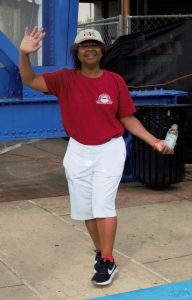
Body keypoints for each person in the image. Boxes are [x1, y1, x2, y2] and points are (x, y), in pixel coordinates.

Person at [19, 26, 173, 286]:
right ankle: (101, 252)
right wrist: (24, 55)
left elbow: (127, 117)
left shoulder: (114, 81)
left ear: (102, 51)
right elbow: (30, 80)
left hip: (109, 150)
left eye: (95, 45)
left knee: (103, 205)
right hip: (78, 150)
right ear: (77, 52)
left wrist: (155, 141)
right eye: (83, 46)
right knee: (86, 210)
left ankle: (108, 260)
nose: (89, 49)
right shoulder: (64, 79)